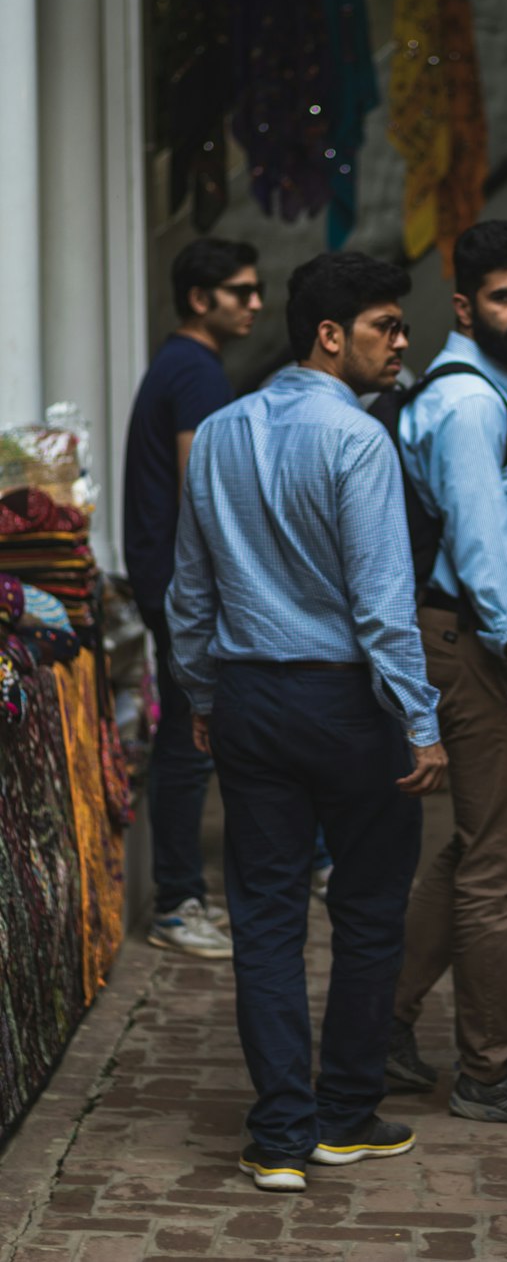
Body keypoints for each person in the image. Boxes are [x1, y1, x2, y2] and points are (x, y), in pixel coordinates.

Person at [166, 251, 447, 1193]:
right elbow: (381, 603)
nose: (402, 342)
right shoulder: (360, 440)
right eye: (387, 327)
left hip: (251, 696)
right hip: (346, 704)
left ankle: (279, 1135)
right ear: (330, 335)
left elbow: (189, 592)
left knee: (267, 917)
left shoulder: (216, 433)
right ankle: (343, 1115)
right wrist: (421, 720)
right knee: (368, 912)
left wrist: (204, 696)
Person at [385, 218, 507, 1127]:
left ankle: (381, 1022)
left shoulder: (488, 389)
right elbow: (481, 545)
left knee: (473, 849)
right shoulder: (466, 403)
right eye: (504, 297)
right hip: (481, 645)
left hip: (476, 640)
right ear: (465, 305)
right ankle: (492, 1068)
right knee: (503, 864)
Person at [123, 238, 263, 958]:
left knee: (186, 738)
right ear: (201, 299)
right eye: (242, 291)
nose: (257, 303)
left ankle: (180, 895)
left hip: (162, 577)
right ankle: (178, 902)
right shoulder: (198, 373)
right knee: (186, 742)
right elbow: (198, 490)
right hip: (178, 583)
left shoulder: (177, 364)